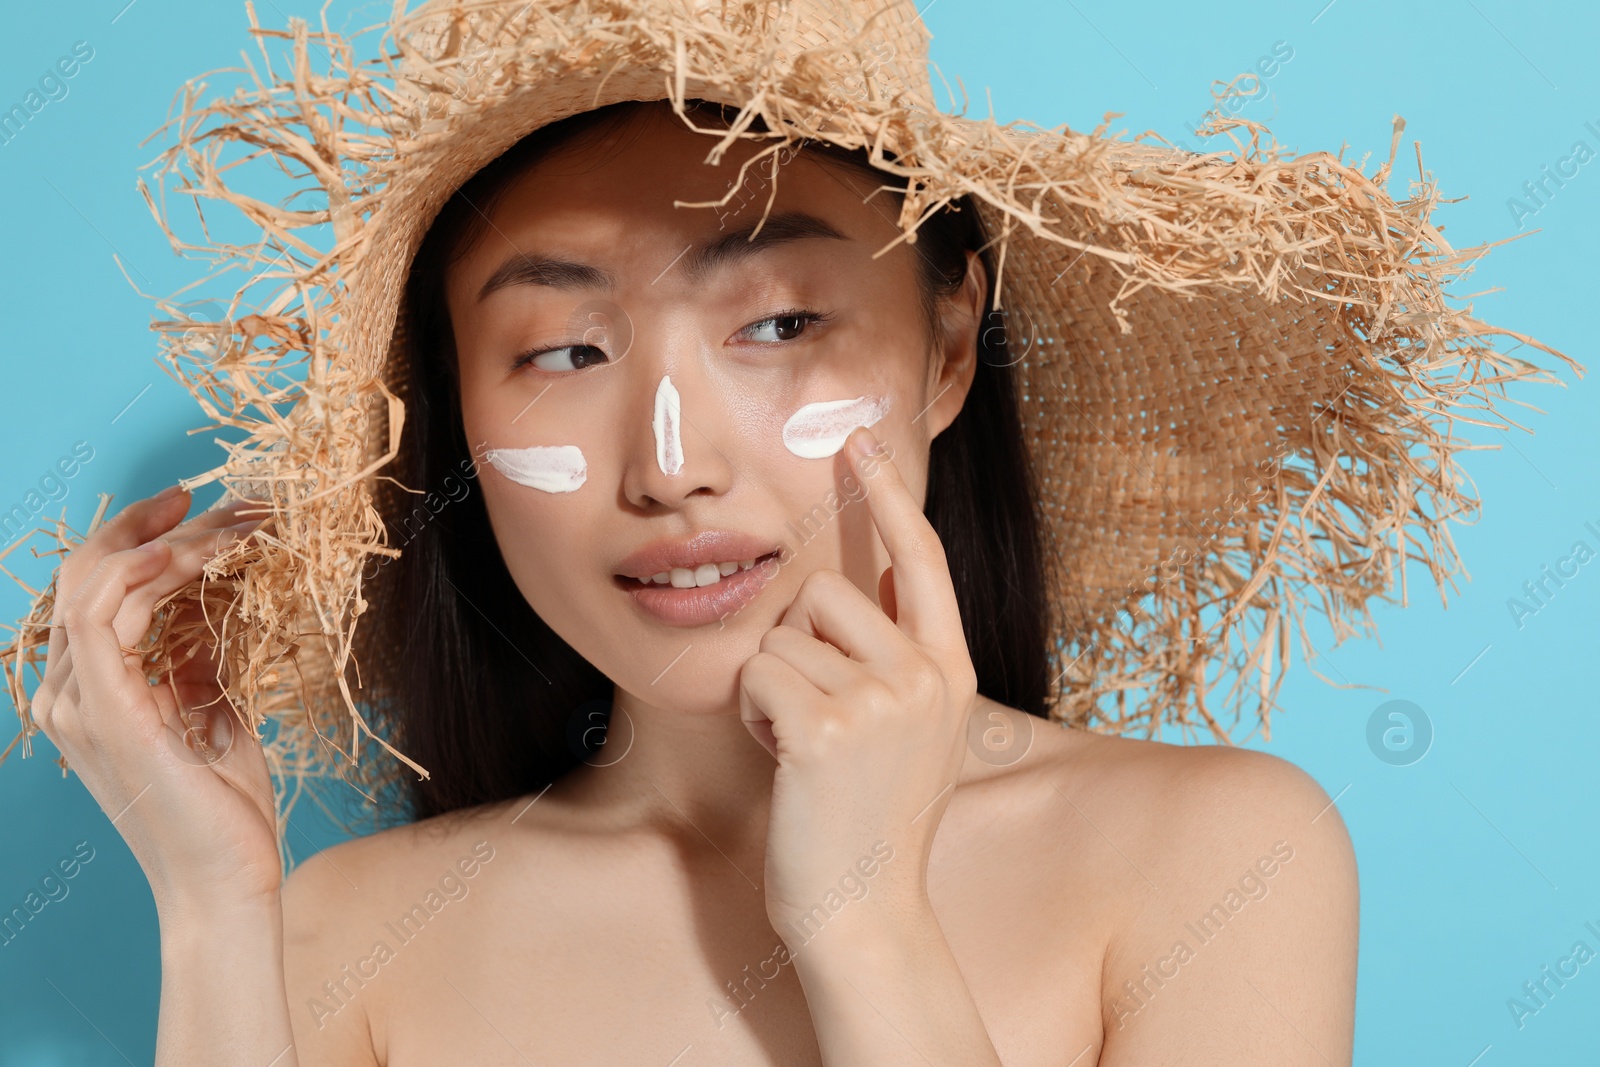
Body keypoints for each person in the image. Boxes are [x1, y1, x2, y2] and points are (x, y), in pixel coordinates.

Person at [16, 0, 1571, 1063]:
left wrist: (863, 925)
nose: (672, 466)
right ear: (454, 428)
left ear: (949, 348)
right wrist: (214, 913)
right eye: (563, 352)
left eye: (776, 324)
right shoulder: (340, 935)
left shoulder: (1216, 856)